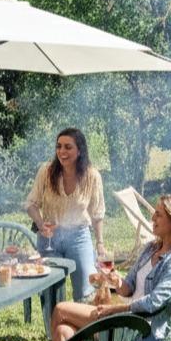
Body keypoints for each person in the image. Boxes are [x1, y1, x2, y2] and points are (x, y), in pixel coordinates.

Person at [48, 193, 171, 341]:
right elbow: (129, 286)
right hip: (127, 318)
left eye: (159, 214)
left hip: (142, 328)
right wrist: (117, 281)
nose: (152, 217)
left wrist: (114, 310)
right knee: (63, 331)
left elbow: (156, 302)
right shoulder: (151, 248)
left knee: (61, 310)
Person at [25, 127, 106, 301]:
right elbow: (31, 204)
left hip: (78, 237)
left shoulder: (92, 176)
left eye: (68, 147)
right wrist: (40, 224)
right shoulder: (46, 171)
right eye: (59, 146)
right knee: (50, 294)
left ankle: (83, 318)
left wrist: (100, 243)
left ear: (79, 150)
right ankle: (53, 320)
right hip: (49, 239)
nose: (62, 151)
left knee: (86, 291)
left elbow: (97, 214)